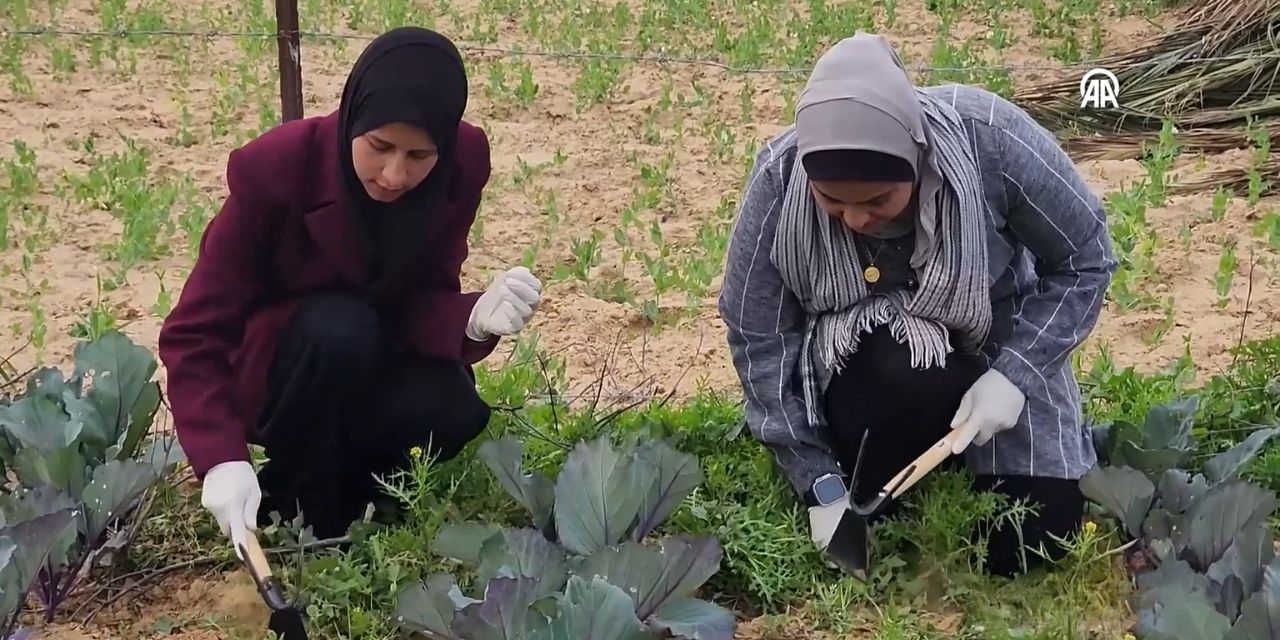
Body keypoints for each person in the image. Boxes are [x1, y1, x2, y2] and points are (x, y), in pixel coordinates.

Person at [718, 32, 1115, 577]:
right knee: (897, 362)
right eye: (832, 201)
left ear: (917, 159)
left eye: (877, 200)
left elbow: (1087, 258)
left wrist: (1015, 374)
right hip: (873, 370)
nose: (856, 220)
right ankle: (879, 479)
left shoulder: (988, 141)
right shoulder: (780, 177)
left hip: (993, 347)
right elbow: (757, 333)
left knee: (1033, 547)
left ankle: (976, 462)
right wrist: (818, 481)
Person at [158, 28, 542, 549]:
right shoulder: (276, 168)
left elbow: (419, 297)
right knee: (340, 327)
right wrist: (221, 456)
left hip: (372, 352)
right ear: (353, 116)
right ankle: (303, 513)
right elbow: (195, 330)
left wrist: (470, 317)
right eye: (379, 146)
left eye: (418, 156)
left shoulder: (462, 164)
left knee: (453, 408)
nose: (394, 174)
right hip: (278, 371)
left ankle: (340, 496)